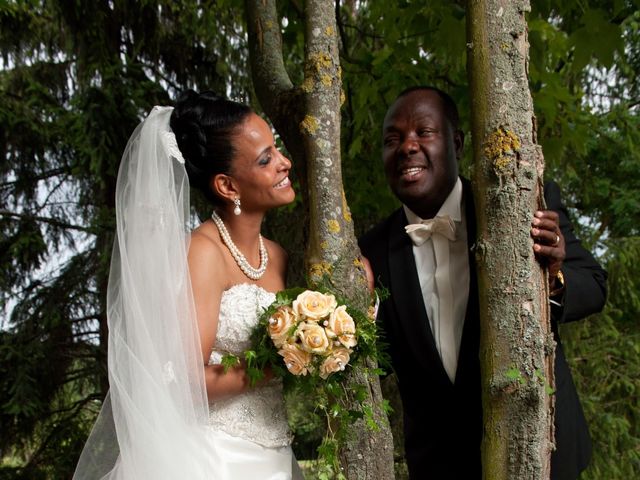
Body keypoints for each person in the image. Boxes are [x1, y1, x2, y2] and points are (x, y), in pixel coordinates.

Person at [359, 86, 607, 479]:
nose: (407, 146)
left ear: (456, 144)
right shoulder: (371, 249)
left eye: (424, 132)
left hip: (540, 452)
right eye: (393, 139)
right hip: (440, 464)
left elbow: (593, 287)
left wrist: (552, 276)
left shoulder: (521, 206)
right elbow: (382, 364)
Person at [74, 91, 303, 479]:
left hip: (274, 453)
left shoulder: (278, 255)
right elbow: (185, 381)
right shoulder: (203, 252)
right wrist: (283, 363)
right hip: (216, 459)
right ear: (228, 186)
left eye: (277, 149)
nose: (285, 163)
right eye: (266, 159)